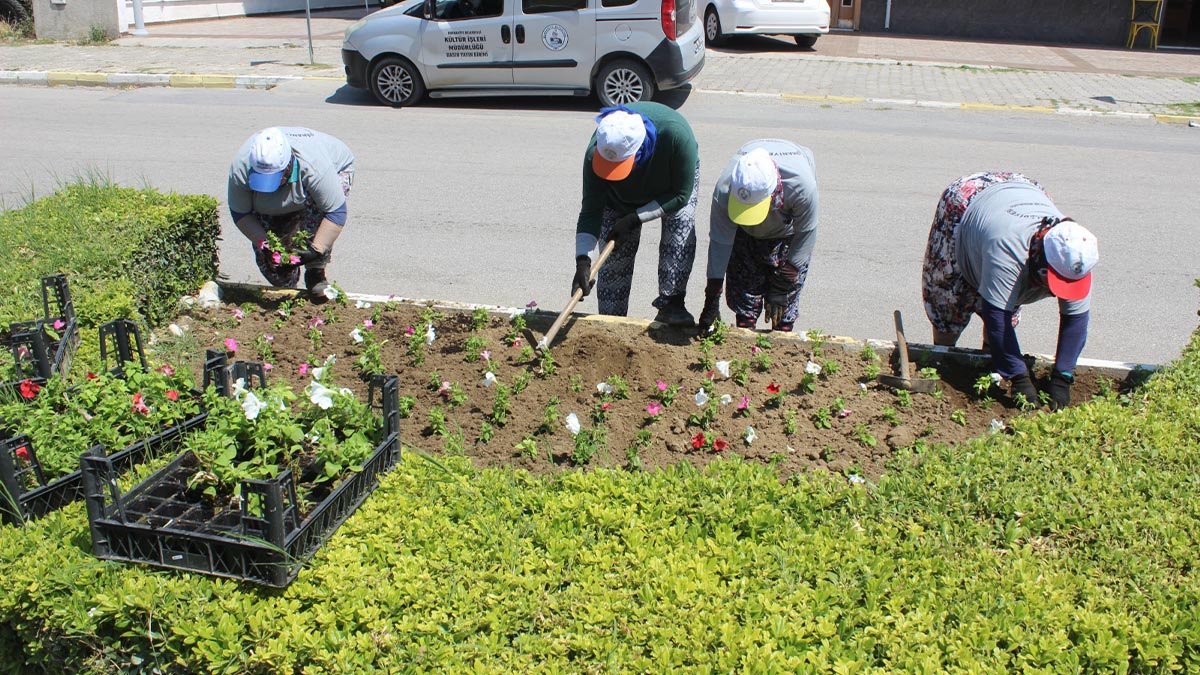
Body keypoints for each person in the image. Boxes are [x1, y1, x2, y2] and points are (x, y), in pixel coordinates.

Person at [922, 172, 1099, 410]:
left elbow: (1076, 320)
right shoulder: (1008, 251)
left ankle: (990, 363)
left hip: (1022, 192)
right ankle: (943, 359)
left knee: (1007, 300)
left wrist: (1063, 377)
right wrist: (1019, 377)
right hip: (966, 203)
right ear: (1040, 258)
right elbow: (998, 318)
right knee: (950, 303)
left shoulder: (1077, 251)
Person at [571, 103, 700, 327]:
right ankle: (613, 322)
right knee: (613, 258)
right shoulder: (597, 150)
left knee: (680, 225)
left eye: (618, 166)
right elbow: (591, 210)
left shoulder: (676, 136)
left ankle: (671, 303)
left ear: (639, 150)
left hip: (670, 186)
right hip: (619, 197)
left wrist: (635, 218)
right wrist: (582, 261)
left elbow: (681, 194)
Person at [698, 140, 818, 334]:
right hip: (745, 237)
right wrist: (711, 298)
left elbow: (806, 233)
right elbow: (720, 242)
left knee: (784, 309)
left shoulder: (801, 186)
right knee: (745, 301)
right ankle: (745, 345)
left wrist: (785, 279)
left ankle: (781, 342)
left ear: (772, 193)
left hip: (787, 235)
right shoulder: (725, 188)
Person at [227, 127, 355, 301]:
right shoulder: (241, 168)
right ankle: (287, 285)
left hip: (332, 169)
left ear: (288, 165)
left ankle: (315, 272)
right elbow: (241, 214)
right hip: (273, 194)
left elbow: (335, 212)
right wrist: (265, 244)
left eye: (275, 177)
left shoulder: (314, 166)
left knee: (312, 223)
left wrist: (315, 250)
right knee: (275, 263)